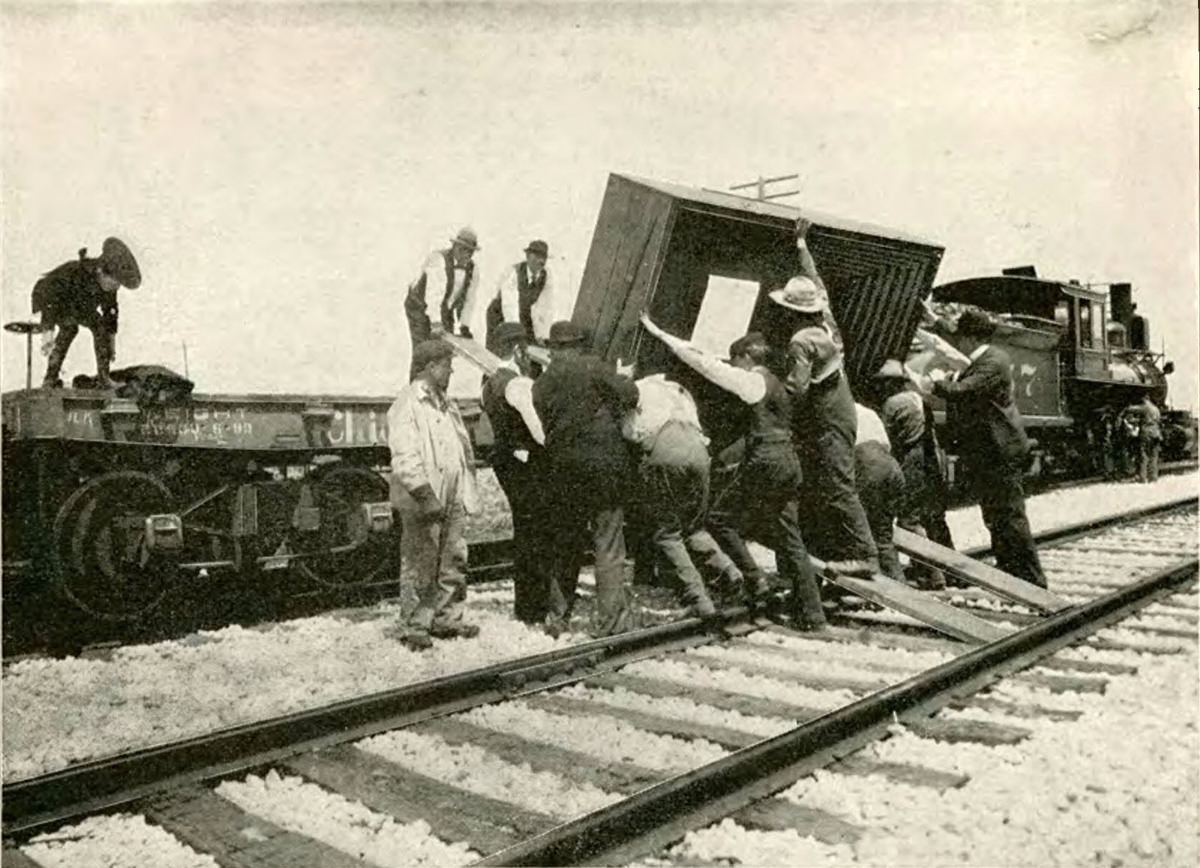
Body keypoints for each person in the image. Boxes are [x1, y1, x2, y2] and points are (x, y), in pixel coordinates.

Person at [639, 314, 827, 630]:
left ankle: (755, 581)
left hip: (766, 460)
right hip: (788, 462)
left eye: (736, 360)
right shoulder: (782, 385)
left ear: (747, 357)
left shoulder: (754, 381)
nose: (734, 366)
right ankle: (813, 613)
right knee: (791, 539)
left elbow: (707, 365)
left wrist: (661, 334)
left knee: (718, 518)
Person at [771, 218, 879, 573]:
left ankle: (866, 557)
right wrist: (801, 245)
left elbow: (797, 389)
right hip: (842, 408)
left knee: (838, 485)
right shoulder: (827, 322)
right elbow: (817, 284)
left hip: (828, 417)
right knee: (831, 482)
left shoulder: (800, 340)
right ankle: (839, 548)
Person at [532, 321, 640, 637]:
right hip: (604, 470)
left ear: (553, 348)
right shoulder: (594, 367)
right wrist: (623, 379)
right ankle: (611, 623)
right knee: (607, 545)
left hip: (563, 472)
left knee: (566, 544)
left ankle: (557, 618)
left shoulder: (540, 384)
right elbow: (631, 395)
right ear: (579, 344)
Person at [929, 308, 1047, 588]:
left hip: (1000, 449)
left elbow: (964, 390)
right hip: (989, 450)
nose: (957, 342)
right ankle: (1009, 570)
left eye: (960, 337)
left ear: (970, 338)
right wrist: (935, 321)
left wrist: (934, 383)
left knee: (1009, 516)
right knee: (995, 515)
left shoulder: (993, 361)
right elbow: (952, 341)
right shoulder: (983, 356)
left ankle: (1032, 580)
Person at [622, 373, 744, 618]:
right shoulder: (677, 389)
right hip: (698, 450)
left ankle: (698, 598)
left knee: (667, 533)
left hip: (666, 450)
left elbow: (631, 433)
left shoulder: (636, 390)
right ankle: (730, 571)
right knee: (694, 527)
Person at [387, 338, 480, 650]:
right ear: (429, 366)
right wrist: (425, 495)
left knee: (453, 555)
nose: (451, 371)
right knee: (420, 559)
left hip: (451, 491)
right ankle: (415, 624)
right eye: (446, 365)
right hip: (424, 494)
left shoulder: (444, 402)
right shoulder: (408, 404)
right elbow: (405, 455)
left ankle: (446, 617)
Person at [480, 322, 548, 624]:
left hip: (507, 462)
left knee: (524, 530)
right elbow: (539, 431)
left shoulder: (489, 382)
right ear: (519, 349)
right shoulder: (519, 384)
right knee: (536, 533)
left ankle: (526, 608)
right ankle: (534, 608)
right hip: (527, 464)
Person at [875, 359, 954, 590]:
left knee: (909, 519)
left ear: (890, 383)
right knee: (933, 517)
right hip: (929, 462)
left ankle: (933, 574)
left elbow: (885, 435)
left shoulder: (893, 404)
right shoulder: (917, 398)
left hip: (910, 463)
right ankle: (951, 568)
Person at [31, 237, 141, 389]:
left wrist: (111, 342)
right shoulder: (75, 272)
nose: (115, 289)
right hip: (55, 298)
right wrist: (47, 332)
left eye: (118, 286)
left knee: (100, 326)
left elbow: (110, 313)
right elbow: (50, 297)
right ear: (100, 271)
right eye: (113, 283)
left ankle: (104, 378)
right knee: (70, 329)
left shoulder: (109, 286)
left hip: (81, 306)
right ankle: (50, 379)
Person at [404, 227, 482, 379]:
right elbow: (433, 295)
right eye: (462, 249)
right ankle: (416, 394)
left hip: (444, 309)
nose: (465, 254)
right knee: (424, 350)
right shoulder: (438, 259)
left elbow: (469, 299)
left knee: (446, 350)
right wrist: (435, 323)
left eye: (470, 251)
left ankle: (439, 395)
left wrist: (464, 325)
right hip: (419, 308)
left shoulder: (473, 269)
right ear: (455, 246)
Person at [853, 403, 906, 581]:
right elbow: (887, 444)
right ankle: (898, 582)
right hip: (891, 467)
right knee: (884, 534)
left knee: (867, 530)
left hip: (869, 468)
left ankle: (882, 584)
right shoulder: (869, 412)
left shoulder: (837, 413)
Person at [485, 240, 560, 353]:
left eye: (543, 257)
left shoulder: (546, 277)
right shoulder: (513, 272)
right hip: (499, 314)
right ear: (528, 256)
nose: (541, 261)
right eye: (537, 256)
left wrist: (542, 336)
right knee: (499, 352)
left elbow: (544, 308)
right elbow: (509, 305)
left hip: (523, 314)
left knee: (533, 349)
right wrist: (516, 332)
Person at [1135, 393, 1162, 483]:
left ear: (1144, 399)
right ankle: (1153, 477)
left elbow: (1132, 409)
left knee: (1144, 455)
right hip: (1156, 433)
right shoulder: (1156, 409)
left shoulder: (1145, 407)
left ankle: (1142, 477)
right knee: (1154, 456)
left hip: (1147, 433)